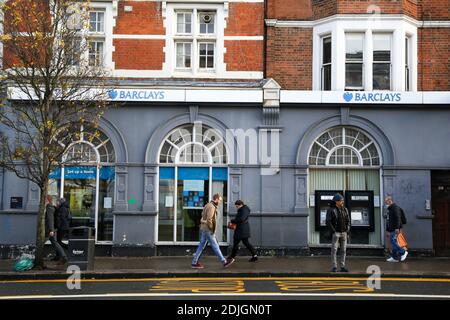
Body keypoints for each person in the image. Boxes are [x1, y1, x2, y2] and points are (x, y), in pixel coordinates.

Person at [191, 194, 234, 269]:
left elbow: (202, 215)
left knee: (201, 246)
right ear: (216, 199)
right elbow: (209, 219)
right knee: (215, 246)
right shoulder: (212, 207)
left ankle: (194, 262)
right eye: (220, 200)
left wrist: (203, 221)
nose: (220, 202)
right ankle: (224, 262)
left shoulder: (207, 205)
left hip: (204, 228)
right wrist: (212, 229)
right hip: (208, 229)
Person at [326, 193, 351, 273]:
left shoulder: (345, 209)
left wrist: (347, 230)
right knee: (334, 250)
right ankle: (334, 266)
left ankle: (342, 266)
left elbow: (348, 221)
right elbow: (328, 222)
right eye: (341, 200)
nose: (342, 202)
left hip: (344, 233)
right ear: (336, 201)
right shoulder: (331, 210)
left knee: (343, 250)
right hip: (336, 233)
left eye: (343, 200)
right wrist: (333, 231)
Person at [385, 196, 408, 262]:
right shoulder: (390, 209)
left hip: (395, 229)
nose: (385, 203)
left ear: (389, 200)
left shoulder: (395, 208)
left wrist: (397, 228)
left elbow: (398, 218)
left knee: (393, 241)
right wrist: (388, 230)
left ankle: (403, 252)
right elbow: (388, 220)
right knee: (394, 242)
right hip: (392, 229)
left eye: (386, 201)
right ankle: (394, 258)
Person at [45, 195, 67, 264]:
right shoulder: (53, 207)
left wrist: (51, 230)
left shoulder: (49, 207)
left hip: (49, 229)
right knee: (55, 242)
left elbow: (50, 219)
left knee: (54, 242)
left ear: (48, 200)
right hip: (52, 228)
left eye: (45, 200)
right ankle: (63, 256)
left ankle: (63, 256)